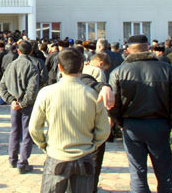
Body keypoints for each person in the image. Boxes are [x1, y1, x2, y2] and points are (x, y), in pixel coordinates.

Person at [29, 48, 111, 192]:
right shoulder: (92, 94)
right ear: (81, 66)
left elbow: (34, 128)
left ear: (59, 67)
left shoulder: (46, 93)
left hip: (57, 155)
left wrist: (44, 145)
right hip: (85, 155)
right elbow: (104, 129)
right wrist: (92, 145)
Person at [109, 34, 172, 192]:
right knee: (164, 171)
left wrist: (121, 123)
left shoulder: (119, 72)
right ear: (148, 48)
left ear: (127, 50)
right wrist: (169, 122)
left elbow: (113, 105)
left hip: (133, 125)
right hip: (159, 123)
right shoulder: (166, 69)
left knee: (137, 172)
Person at [0, 40, 40, 173]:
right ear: (31, 52)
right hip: (24, 104)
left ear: (18, 51)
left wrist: (12, 101)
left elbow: (2, 86)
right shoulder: (32, 66)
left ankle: (12, 159)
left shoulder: (11, 65)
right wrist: (21, 102)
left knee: (15, 131)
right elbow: (32, 89)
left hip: (16, 104)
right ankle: (22, 162)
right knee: (26, 132)